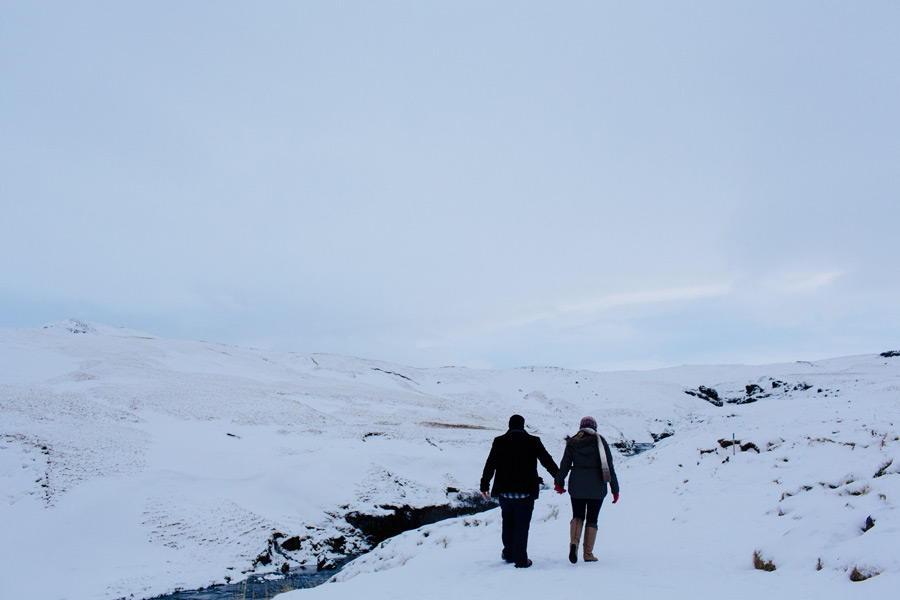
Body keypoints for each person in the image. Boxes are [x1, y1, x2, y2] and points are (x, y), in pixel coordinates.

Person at [480, 414, 559, 568]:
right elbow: (547, 461)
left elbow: (490, 464)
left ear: (509, 425)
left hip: (505, 491)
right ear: (523, 425)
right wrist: (559, 479)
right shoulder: (533, 441)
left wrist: (484, 486)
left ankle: (509, 553)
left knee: (507, 522)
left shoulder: (499, 441)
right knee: (522, 525)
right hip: (526, 492)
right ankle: (521, 559)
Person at [554, 416, 619, 563]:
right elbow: (609, 466)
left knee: (577, 515)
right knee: (592, 518)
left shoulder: (573, 442)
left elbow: (565, 464)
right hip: (597, 486)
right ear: (595, 428)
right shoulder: (600, 442)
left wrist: (559, 483)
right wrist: (615, 489)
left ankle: (574, 543)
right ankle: (588, 554)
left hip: (577, 485)